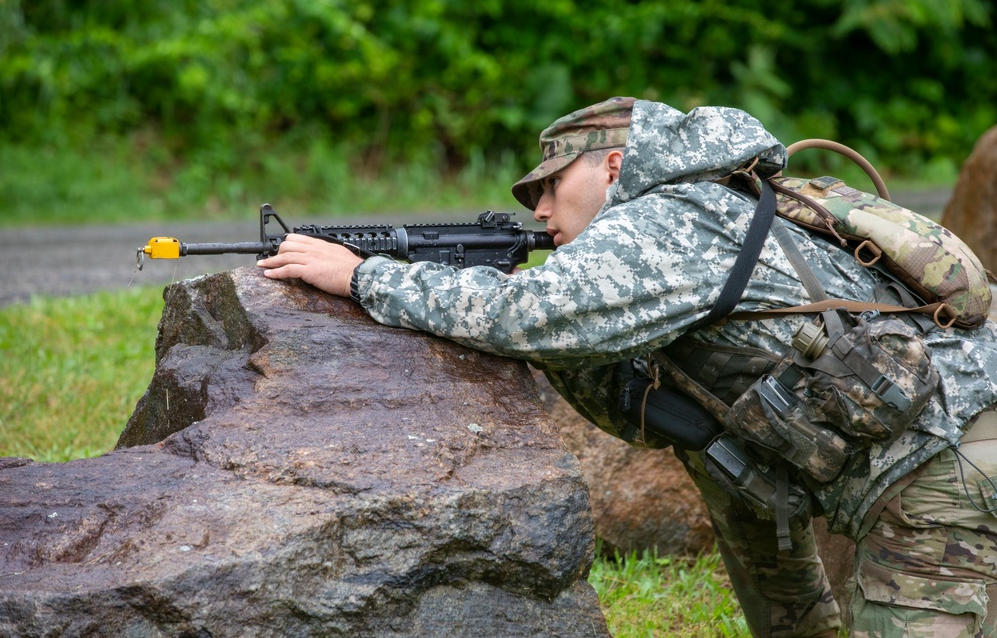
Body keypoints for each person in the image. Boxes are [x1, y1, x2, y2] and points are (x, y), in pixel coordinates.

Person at [257, 97, 997, 638]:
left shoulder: (670, 218)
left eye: (551, 184)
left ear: (614, 165)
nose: (539, 209)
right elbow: (654, 415)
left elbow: (527, 318)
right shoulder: (706, 215)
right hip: (929, 457)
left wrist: (361, 277)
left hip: (946, 462)